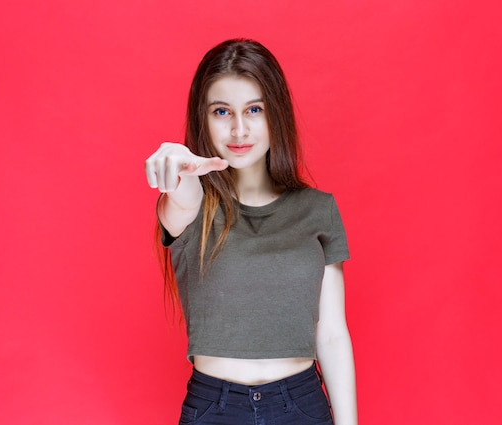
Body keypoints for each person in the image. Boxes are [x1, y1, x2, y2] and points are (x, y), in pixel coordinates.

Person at [145, 39, 357, 425]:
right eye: (222, 111)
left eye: (254, 109)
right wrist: (173, 166)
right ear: (203, 119)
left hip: (302, 405)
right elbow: (181, 200)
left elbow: (331, 334)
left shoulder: (317, 209)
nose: (239, 128)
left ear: (276, 114)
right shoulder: (192, 206)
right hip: (214, 408)